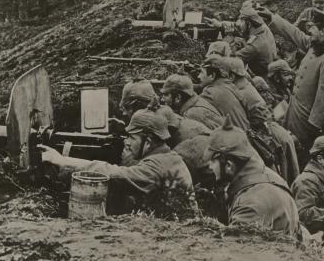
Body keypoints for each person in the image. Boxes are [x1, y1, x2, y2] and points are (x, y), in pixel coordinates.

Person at [38, 102, 195, 217]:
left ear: (147, 142)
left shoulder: (156, 167)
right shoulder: (167, 158)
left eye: (131, 137)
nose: (127, 142)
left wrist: (63, 161)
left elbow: (114, 173)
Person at [261, 7, 324, 154]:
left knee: (304, 151)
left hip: (308, 120)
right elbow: (295, 34)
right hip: (296, 111)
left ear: (323, 31)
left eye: (313, 28)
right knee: (291, 146)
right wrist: (272, 17)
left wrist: (314, 125)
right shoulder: (315, 44)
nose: (309, 31)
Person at [204, 116, 299, 234]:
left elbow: (232, 249)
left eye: (212, 161)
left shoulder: (249, 205)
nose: (209, 166)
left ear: (229, 165)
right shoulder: (268, 176)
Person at [206, 5, 278, 78]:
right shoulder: (262, 27)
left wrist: (221, 50)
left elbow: (232, 61)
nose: (239, 23)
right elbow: (239, 26)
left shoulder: (254, 46)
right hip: (268, 63)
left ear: (249, 24)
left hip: (260, 75)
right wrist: (221, 24)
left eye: (242, 21)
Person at [199, 55, 251, 131]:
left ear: (213, 75)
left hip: (232, 137)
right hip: (244, 134)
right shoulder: (229, 85)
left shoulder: (209, 92)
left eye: (201, 72)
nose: (198, 76)